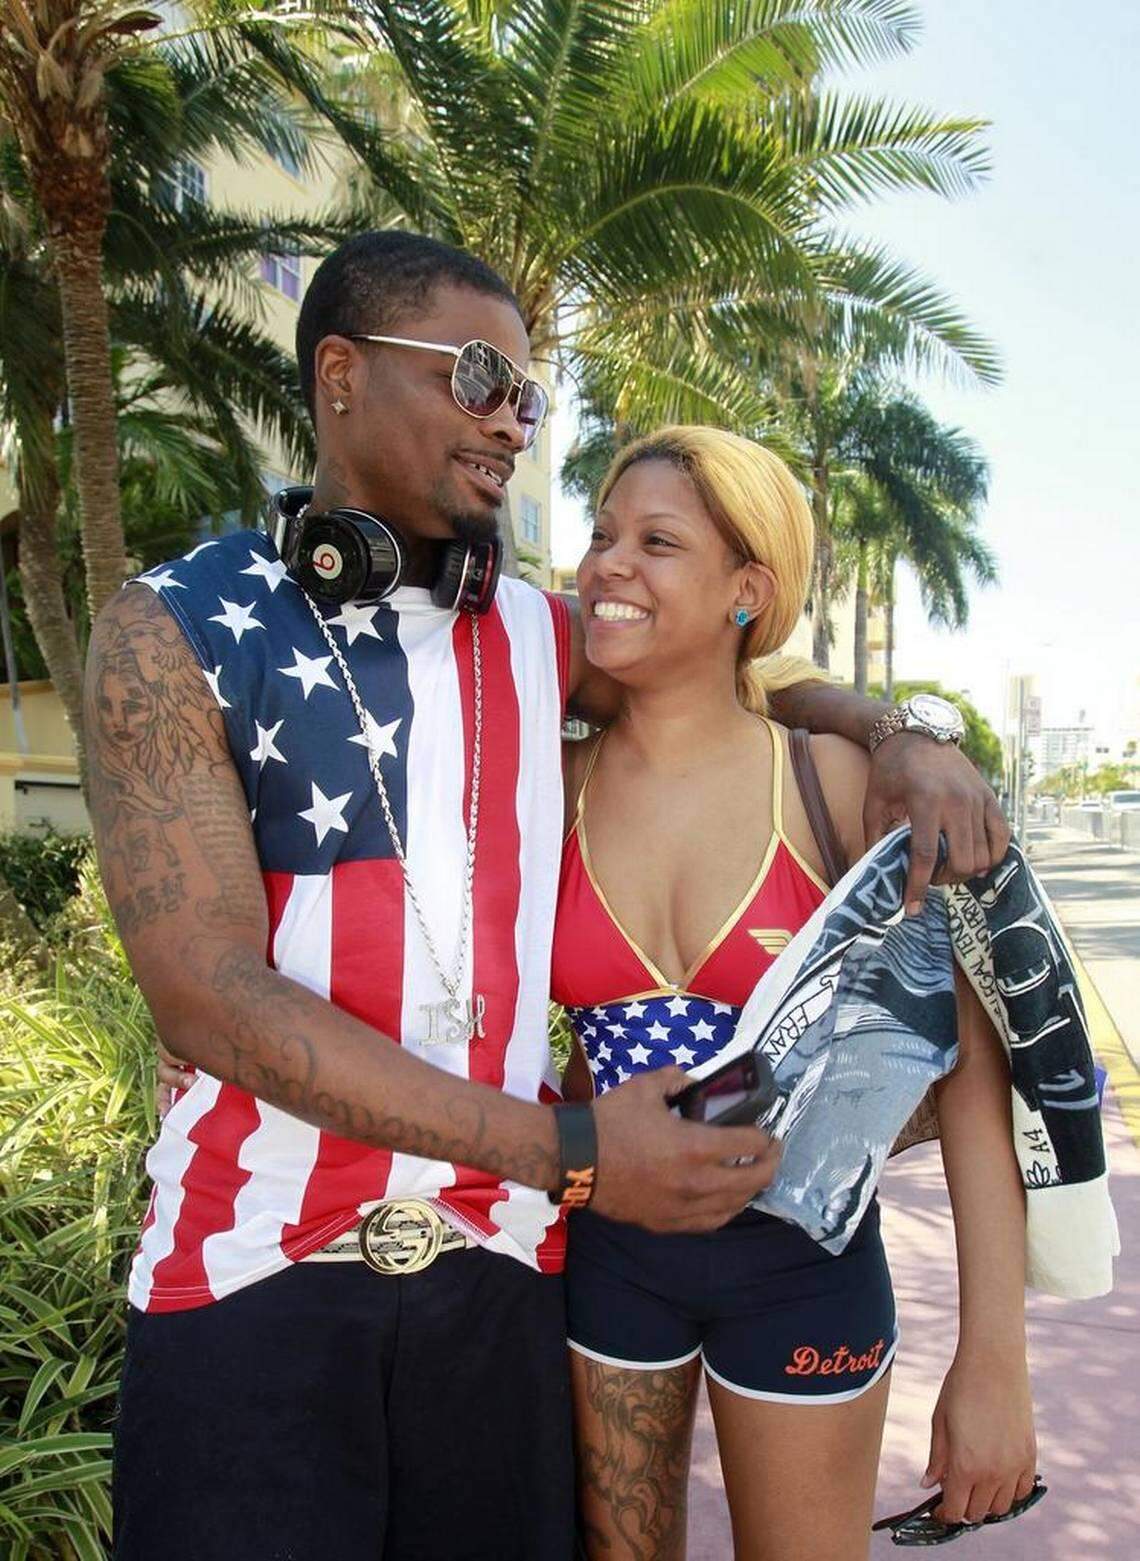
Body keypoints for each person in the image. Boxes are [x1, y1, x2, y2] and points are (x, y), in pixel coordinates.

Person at [89, 230, 1009, 1561]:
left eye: (527, 395)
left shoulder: (533, 633)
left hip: (502, 1303)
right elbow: (210, 998)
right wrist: (576, 1153)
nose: (512, 423)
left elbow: (728, 659)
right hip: (250, 1292)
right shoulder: (169, 626)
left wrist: (902, 734)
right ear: (339, 373)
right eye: (477, 378)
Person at [552, 426, 1036, 1561]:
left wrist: (993, 1362)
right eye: (602, 535)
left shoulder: (840, 784)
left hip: (804, 1270)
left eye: (658, 542)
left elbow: (966, 1074)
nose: (608, 564)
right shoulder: (551, 783)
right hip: (609, 1260)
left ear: (746, 590)